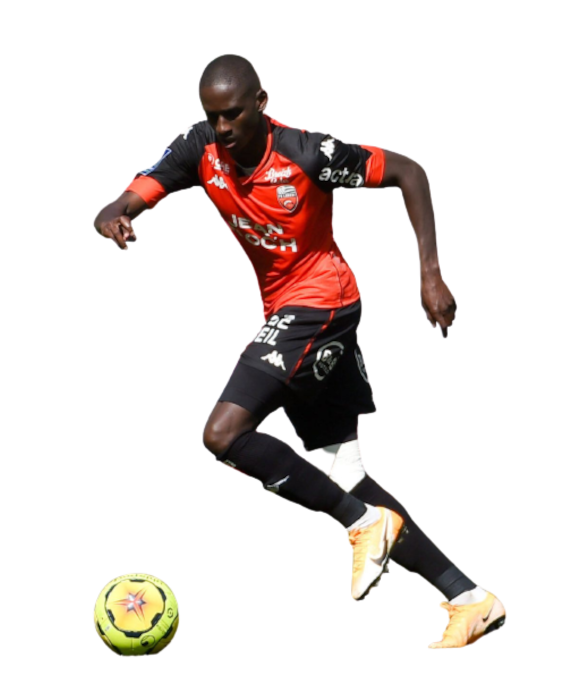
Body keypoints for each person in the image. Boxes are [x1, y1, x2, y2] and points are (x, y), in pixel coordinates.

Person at [93, 54, 506, 649]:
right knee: (347, 473)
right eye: (212, 116)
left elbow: (408, 171)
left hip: (321, 305)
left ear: (262, 104)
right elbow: (133, 195)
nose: (223, 128)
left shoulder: (308, 153)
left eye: (234, 114)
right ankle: (469, 599)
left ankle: (362, 525)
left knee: (221, 434)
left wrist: (429, 272)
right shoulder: (199, 146)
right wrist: (113, 215)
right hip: (289, 314)